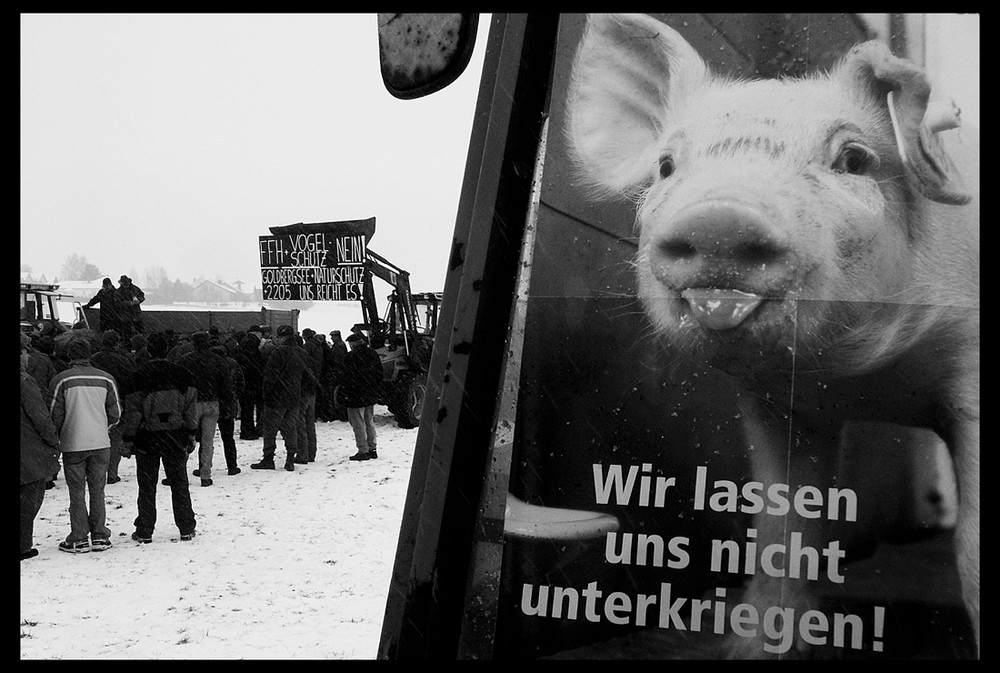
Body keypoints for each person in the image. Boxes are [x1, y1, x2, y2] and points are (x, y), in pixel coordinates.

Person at [120, 332, 198, 543]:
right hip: (176, 436)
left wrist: (128, 439)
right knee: (179, 483)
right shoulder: (183, 375)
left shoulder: (138, 376)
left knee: (147, 485)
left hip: (147, 438)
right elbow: (191, 409)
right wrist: (191, 433)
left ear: (149, 351)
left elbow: (133, 413)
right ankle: (186, 526)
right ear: (167, 350)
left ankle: (145, 529)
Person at [48, 338, 121, 553]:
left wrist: (61, 432)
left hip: (73, 443)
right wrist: (103, 427)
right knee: (98, 490)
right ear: (90, 354)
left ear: (69, 355)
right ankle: (100, 535)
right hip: (100, 442)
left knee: (76, 491)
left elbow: (54, 414)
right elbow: (116, 413)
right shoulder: (106, 379)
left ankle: (78, 536)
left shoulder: (61, 380)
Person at [250, 324, 313, 471]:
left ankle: (268, 458)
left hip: (276, 397)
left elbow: (270, 377)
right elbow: (306, 376)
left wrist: (266, 394)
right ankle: (290, 458)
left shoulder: (278, 353)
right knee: (290, 429)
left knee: (270, 430)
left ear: (282, 337)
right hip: (294, 397)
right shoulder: (302, 353)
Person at [21, 334, 61, 560]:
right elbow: (40, 417)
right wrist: (53, 440)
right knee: (31, 498)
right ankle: (23, 545)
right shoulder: (25, 382)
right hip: (27, 448)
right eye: (25, 351)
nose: (28, 356)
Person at [176, 331, 232, 487]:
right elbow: (226, 385)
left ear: (193, 343)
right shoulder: (219, 361)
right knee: (208, 441)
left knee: (187, 438)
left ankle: (179, 473)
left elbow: (179, 383)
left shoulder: (185, 360)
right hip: (212, 403)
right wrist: (226, 404)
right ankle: (205, 475)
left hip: (192, 403)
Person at [89, 330, 136, 485]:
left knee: (96, 438)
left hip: (96, 402)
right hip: (117, 402)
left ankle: (96, 472)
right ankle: (112, 473)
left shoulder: (93, 360)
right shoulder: (124, 360)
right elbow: (131, 382)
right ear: (117, 343)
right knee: (115, 439)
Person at [340, 332, 383, 461]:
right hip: (369, 394)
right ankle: (372, 448)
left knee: (358, 423)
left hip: (355, 396)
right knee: (369, 422)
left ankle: (362, 450)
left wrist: (345, 392)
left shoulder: (351, 357)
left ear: (353, 344)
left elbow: (346, 377)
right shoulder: (373, 354)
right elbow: (379, 373)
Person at [212, 344, 245, 475]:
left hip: (211, 402)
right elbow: (241, 382)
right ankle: (232, 465)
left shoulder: (209, 363)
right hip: (228, 403)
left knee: (206, 439)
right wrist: (235, 396)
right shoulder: (232, 363)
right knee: (228, 437)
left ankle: (204, 467)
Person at [296, 329, 324, 462]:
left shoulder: (306, 349)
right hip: (313, 388)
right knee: (310, 422)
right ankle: (311, 452)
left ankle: (303, 453)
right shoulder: (319, 347)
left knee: (301, 422)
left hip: (304, 389)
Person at [236, 325, 265, 440]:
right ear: (257, 333)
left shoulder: (245, 342)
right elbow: (253, 362)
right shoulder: (252, 342)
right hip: (252, 381)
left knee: (246, 408)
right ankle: (248, 432)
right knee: (249, 408)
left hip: (246, 380)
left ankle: (247, 430)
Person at [321, 330, 348, 421]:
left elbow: (338, 360)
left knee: (334, 394)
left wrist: (334, 370)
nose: (332, 338)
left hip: (337, 372)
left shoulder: (339, 346)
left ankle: (336, 414)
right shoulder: (340, 345)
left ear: (337, 336)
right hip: (339, 372)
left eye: (333, 336)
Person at [115, 275, 145, 342]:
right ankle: (128, 347)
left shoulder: (135, 289)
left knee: (139, 332)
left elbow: (142, 296)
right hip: (126, 316)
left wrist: (139, 300)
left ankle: (139, 344)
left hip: (136, 315)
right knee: (126, 334)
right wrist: (129, 303)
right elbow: (117, 303)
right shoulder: (118, 292)